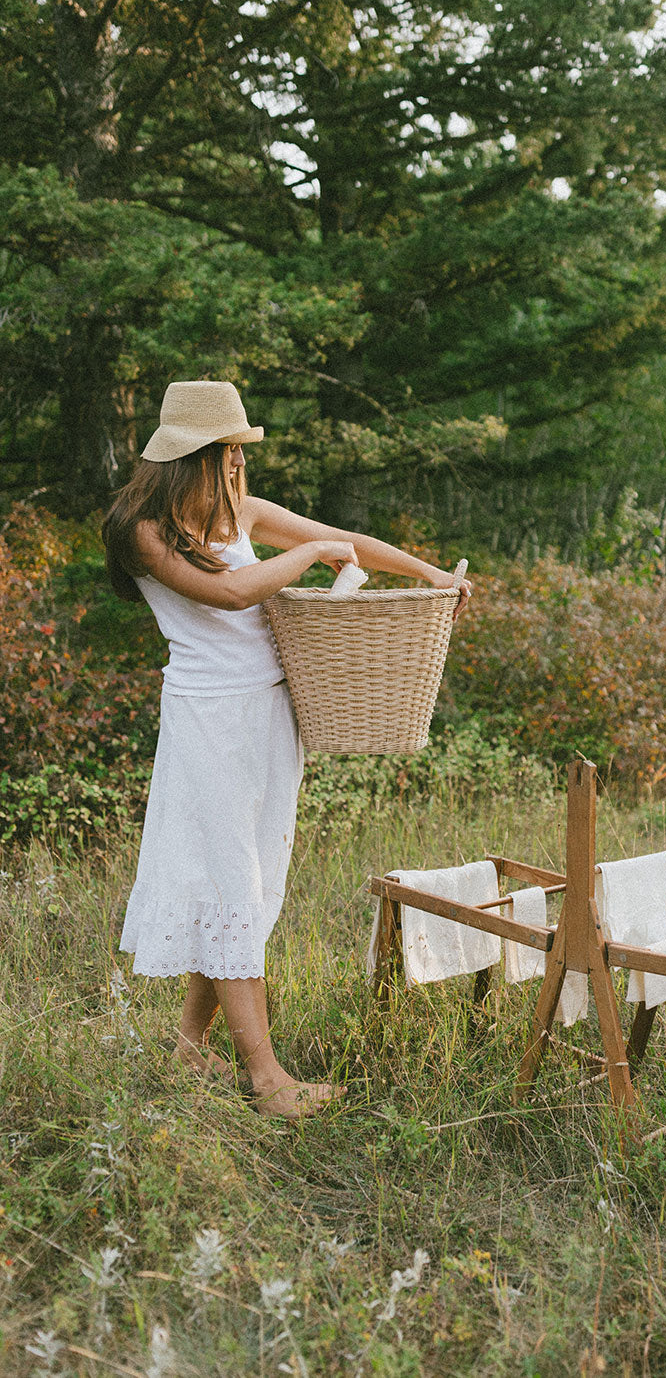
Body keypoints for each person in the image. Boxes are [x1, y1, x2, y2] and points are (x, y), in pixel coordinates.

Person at [103, 380, 471, 1117]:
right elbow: (233, 593)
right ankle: (267, 1080)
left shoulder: (239, 510)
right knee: (230, 885)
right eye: (231, 450)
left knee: (247, 886)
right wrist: (310, 554)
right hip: (210, 722)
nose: (240, 462)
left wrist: (429, 574)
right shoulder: (143, 531)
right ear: (198, 456)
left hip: (272, 714)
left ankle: (187, 1045)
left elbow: (346, 538)